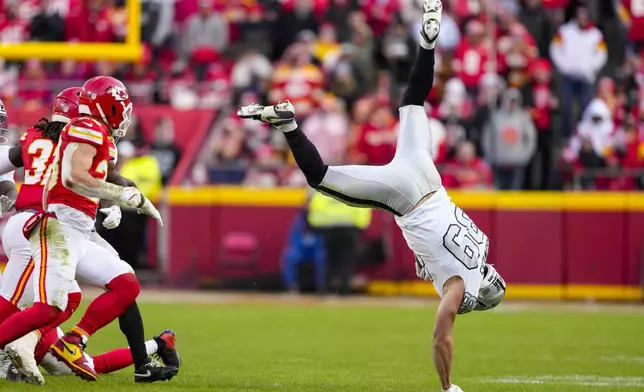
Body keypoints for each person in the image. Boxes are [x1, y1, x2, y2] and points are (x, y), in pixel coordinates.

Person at [238, 2, 506, 391]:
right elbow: (440, 336)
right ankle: (290, 124)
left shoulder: (481, 247)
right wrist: (447, 386)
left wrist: (427, 263)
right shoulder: (462, 284)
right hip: (409, 196)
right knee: (322, 178)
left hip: (427, 175)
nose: (472, 304)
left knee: (412, 102)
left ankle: (427, 44)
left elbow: (439, 244)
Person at [0, 88, 178, 384]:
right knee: (43, 304)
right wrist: (120, 198)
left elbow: (13, 162)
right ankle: (18, 347)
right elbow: (90, 178)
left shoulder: (36, 136)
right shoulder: (81, 137)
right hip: (49, 224)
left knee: (107, 287)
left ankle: (75, 341)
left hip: (60, 227)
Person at [0, 328, 179, 383]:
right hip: (37, 327)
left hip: (39, 334)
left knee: (93, 366)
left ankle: (159, 343)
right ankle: (159, 344)